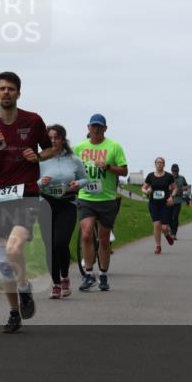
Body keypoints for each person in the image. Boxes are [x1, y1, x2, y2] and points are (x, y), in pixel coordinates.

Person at [0, 72, 58, 332]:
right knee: (4, 264)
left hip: (27, 194)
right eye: (2, 89)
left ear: (18, 93)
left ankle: (24, 288)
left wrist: (38, 156)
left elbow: (50, 149)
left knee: (14, 249)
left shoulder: (33, 120)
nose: (6, 93)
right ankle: (14, 312)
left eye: (11, 89)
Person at [74, 114, 128, 292]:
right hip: (86, 197)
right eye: (93, 126)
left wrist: (108, 167)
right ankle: (89, 275)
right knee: (87, 234)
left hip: (106, 199)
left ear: (105, 128)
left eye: (99, 126)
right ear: (88, 127)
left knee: (104, 241)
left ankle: (103, 275)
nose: (96, 129)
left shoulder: (114, 147)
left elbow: (124, 170)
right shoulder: (80, 147)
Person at [38, 124, 88, 298]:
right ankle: (56, 283)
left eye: (56, 137)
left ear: (63, 139)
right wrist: (40, 183)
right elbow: (31, 183)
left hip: (67, 203)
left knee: (60, 243)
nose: (53, 141)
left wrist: (77, 184)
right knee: (50, 246)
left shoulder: (74, 159)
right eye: (50, 138)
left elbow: (85, 179)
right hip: (45, 203)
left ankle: (65, 276)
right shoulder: (40, 159)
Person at [142, 158, 177, 254]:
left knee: (164, 227)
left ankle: (167, 235)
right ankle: (158, 246)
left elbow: (175, 188)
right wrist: (146, 191)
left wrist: (172, 197)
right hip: (153, 204)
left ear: (164, 165)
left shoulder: (168, 176)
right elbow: (143, 188)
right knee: (157, 225)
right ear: (155, 164)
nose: (159, 164)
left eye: (161, 163)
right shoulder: (150, 176)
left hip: (165, 204)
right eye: (158, 163)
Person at [168, 163, 189, 238]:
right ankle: (171, 229)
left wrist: (184, 188)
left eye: (176, 171)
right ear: (171, 171)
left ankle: (174, 233)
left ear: (178, 170)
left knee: (175, 217)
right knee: (169, 217)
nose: (175, 172)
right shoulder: (168, 178)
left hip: (178, 200)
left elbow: (186, 185)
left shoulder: (182, 178)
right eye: (173, 171)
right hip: (169, 199)